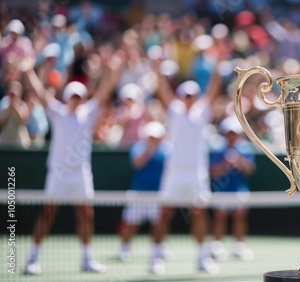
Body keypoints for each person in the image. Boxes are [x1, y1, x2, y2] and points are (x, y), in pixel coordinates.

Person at [19, 51, 119, 275]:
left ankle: (86, 258)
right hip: (58, 173)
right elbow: (40, 93)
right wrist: (27, 70)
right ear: (67, 98)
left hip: (81, 173)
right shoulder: (58, 112)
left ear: (83, 99)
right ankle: (32, 258)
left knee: (86, 214)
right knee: (48, 213)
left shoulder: (88, 112)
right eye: (73, 96)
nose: (76, 100)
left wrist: (112, 70)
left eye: (79, 97)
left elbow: (104, 91)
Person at [155, 58, 222, 274]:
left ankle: (202, 257)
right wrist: (156, 68)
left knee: (199, 214)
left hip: (196, 174)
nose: (189, 99)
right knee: (164, 213)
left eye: (193, 95)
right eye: (186, 95)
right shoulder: (173, 110)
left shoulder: (202, 111)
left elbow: (213, 87)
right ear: (180, 96)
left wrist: (218, 62)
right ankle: (156, 256)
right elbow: (162, 88)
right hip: (174, 173)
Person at [118, 121, 171, 275]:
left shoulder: (167, 150)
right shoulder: (138, 147)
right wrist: (150, 149)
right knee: (131, 223)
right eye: (151, 136)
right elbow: (137, 164)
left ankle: (157, 251)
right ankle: (125, 248)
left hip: (158, 195)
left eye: (156, 137)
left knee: (159, 224)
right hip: (138, 193)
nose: (153, 139)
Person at [210, 115, 255, 261]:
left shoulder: (244, 149)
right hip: (222, 191)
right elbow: (213, 172)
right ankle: (216, 246)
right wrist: (225, 163)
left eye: (233, 133)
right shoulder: (218, 150)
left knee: (239, 216)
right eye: (229, 133)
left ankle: (239, 246)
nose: (231, 136)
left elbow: (249, 170)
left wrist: (238, 160)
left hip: (239, 189)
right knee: (220, 217)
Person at [0, 80, 31, 148]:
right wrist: (9, 109)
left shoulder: (23, 105)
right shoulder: (3, 104)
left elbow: (23, 119)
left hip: (20, 144)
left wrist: (15, 106)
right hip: (5, 143)